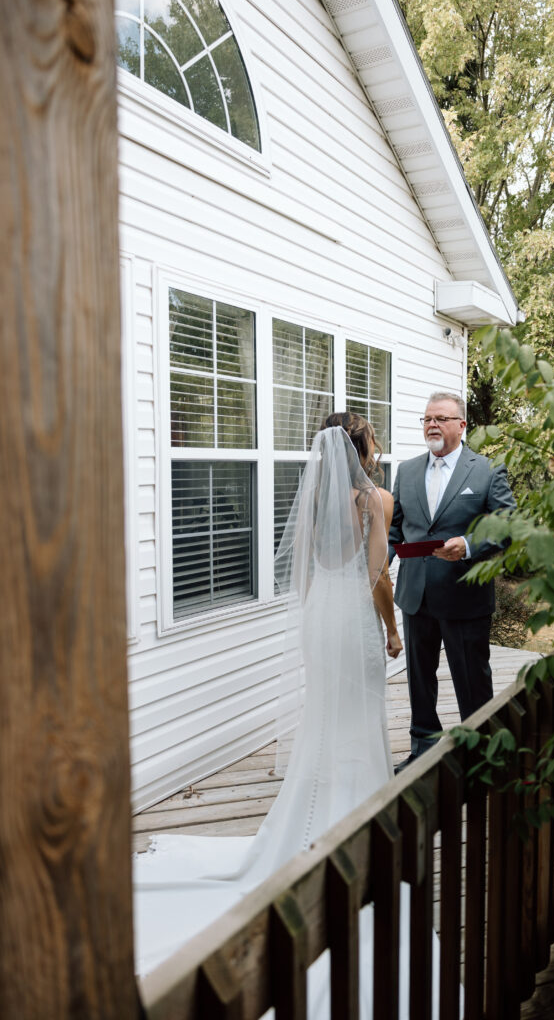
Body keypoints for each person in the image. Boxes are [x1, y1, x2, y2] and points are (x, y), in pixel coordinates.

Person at [134, 413, 403, 983]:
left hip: (316, 619)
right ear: (362, 448)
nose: (377, 448)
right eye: (373, 440)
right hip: (353, 617)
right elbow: (378, 577)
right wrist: (393, 630)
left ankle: (315, 818)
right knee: (358, 716)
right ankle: (358, 821)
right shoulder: (375, 498)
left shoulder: (310, 502)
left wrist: (313, 619)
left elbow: (302, 572)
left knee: (324, 717)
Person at [389, 393, 515, 773]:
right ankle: (423, 748)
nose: (432, 424)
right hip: (416, 595)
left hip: (465, 597)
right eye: (427, 418)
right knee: (419, 681)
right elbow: (395, 529)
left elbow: (507, 524)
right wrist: (376, 567)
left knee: (472, 681)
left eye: (442, 418)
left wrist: (469, 544)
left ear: (462, 425)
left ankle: (482, 758)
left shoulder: (487, 471)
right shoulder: (407, 471)